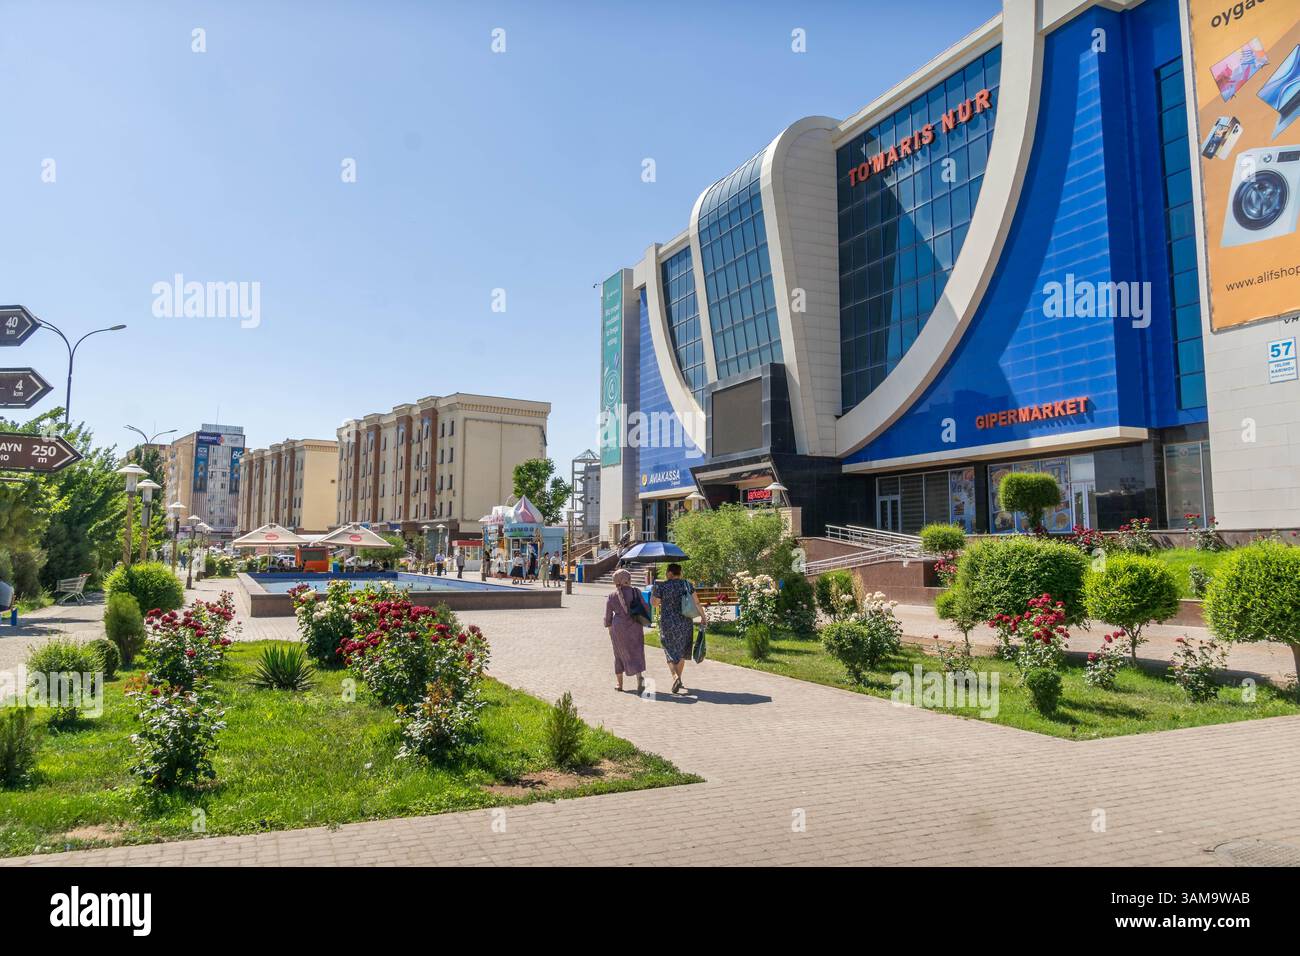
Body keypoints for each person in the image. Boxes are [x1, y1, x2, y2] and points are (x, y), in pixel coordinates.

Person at [651, 563, 696, 695]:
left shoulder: (662, 586)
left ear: (670, 573)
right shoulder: (687, 585)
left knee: (669, 651)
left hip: (668, 623)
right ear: (680, 573)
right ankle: (679, 679)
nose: (666, 574)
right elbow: (697, 602)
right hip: (685, 622)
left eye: (666, 572)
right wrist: (703, 618)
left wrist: (655, 591)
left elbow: (655, 603)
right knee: (682, 652)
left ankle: (675, 677)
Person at [603, 568, 647, 694]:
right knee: (637, 651)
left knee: (619, 654)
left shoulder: (612, 596)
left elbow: (607, 617)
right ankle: (639, 677)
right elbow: (645, 607)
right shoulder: (636, 592)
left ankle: (619, 684)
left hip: (619, 628)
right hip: (635, 626)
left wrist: (609, 628)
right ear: (628, 579)